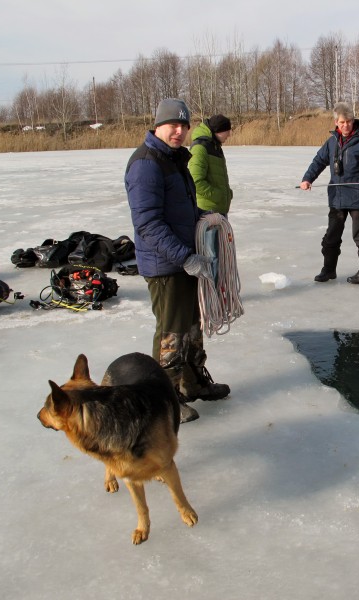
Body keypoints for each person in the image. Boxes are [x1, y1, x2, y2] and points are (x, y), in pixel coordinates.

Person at [124, 98, 230, 424]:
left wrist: (204, 217)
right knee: (171, 333)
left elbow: (180, 209)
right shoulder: (146, 163)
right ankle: (165, 400)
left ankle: (194, 383)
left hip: (184, 259)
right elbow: (148, 224)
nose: (180, 131)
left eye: (184, 125)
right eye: (174, 124)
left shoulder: (174, 159)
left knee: (192, 326)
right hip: (165, 265)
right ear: (158, 124)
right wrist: (185, 257)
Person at [299, 102, 359, 284]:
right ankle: (329, 270)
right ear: (336, 122)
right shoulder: (332, 141)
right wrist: (307, 178)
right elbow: (319, 161)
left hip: (358, 196)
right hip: (337, 197)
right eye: (342, 122)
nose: (346, 125)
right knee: (331, 237)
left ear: (353, 120)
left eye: (349, 121)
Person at [188, 114, 234, 215]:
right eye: (228, 130)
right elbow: (195, 181)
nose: (229, 134)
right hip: (207, 212)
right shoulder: (200, 148)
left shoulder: (215, 147)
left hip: (218, 210)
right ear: (219, 130)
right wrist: (218, 195)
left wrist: (227, 194)